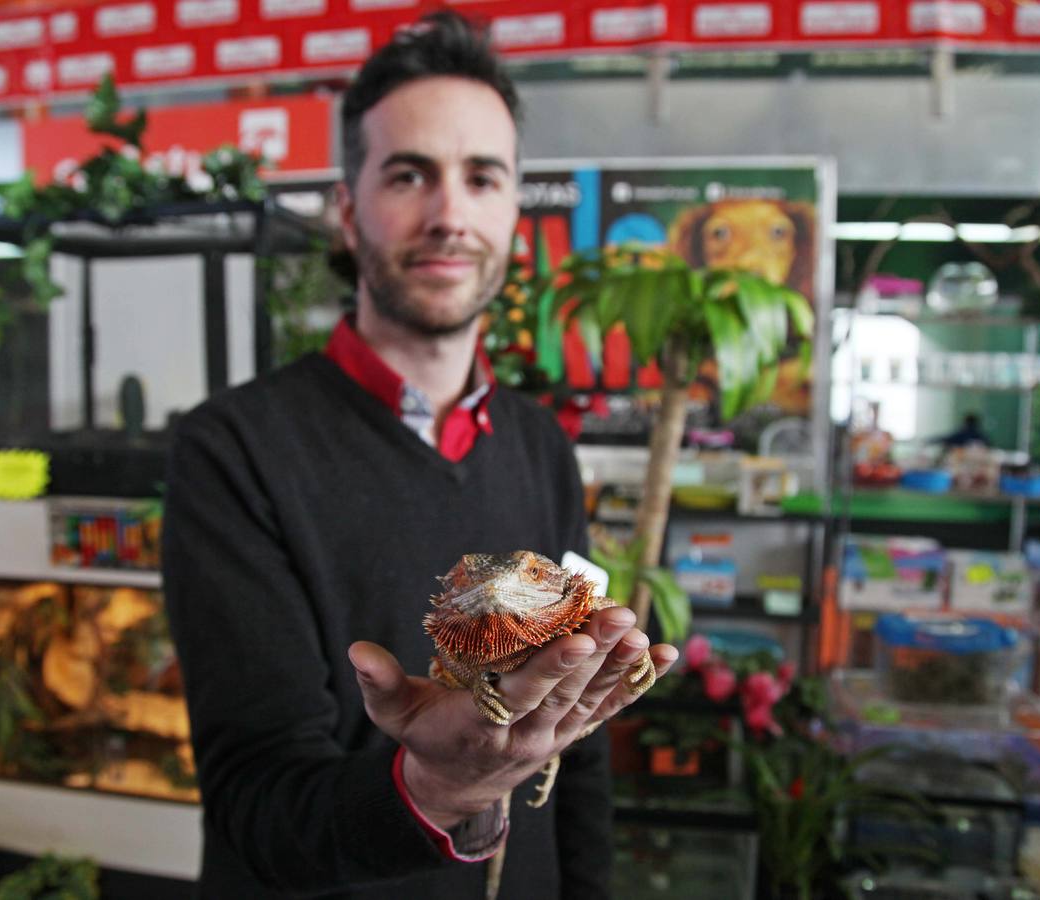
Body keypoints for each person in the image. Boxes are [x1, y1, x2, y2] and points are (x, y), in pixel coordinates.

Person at [161, 11, 677, 899]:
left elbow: (575, 756)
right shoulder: (234, 452)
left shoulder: (539, 445)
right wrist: (435, 789)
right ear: (346, 207)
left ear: (514, 209)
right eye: (410, 174)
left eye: (482, 177)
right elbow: (255, 799)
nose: (449, 214)